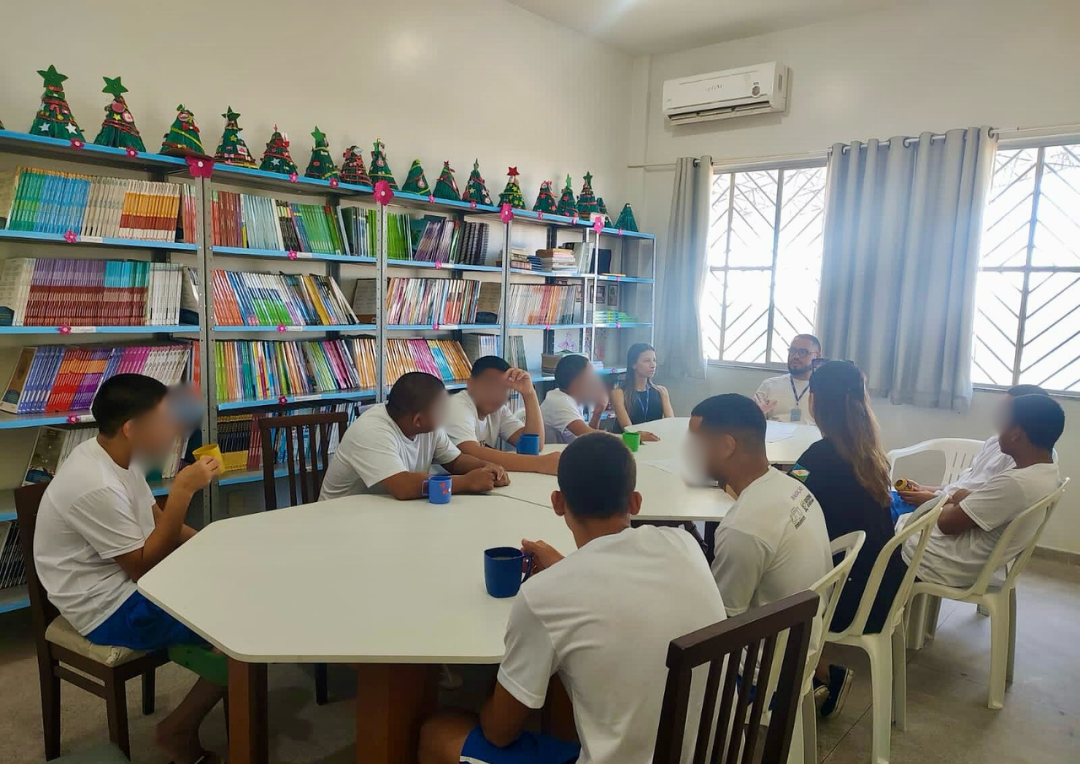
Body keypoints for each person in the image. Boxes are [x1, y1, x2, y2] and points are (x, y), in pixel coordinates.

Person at [418, 433, 726, 764]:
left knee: (440, 731)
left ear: (557, 502)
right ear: (635, 502)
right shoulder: (684, 544)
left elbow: (499, 732)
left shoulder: (544, 595)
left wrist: (483, 700)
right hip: (715, 750)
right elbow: (619, 591)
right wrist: (565, 570)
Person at [33, 374, 224, 764]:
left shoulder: (117, 456)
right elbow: (142, 566)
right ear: (132, 428)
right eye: (164, 421)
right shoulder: (95, 483)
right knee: (236, 628)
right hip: (107, 606)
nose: (174, 429)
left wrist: (212, 545)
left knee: (234, 589)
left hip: (130, 581)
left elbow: (156, 520)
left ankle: (218, 687)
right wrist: (184, 491)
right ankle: (178, 730)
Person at [789, 360, 905, 717]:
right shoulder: (869, 451)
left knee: (765, 578)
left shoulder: (820, 455)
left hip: (850, 597)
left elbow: (787, 499)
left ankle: (821, 674)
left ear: (815, 401)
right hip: (882, 586)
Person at [689, 394, 831, 685]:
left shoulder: (743, 527)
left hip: (758, 672)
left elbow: (718, 621)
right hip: (802, 645)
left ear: (726, 446)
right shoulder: (792, 488)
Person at [902, 393, 1064, 588]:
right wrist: (960, 499)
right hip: (960, 555)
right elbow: (967, 503)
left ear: (1016, 434)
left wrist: (958, 498)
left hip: (940, 562)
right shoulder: (1046, 472)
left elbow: (947, 523)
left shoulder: (1015, 483)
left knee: (873, 537)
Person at [319, 372, 509, 500]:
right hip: (341, 521)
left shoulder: (429, 427)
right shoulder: (371, 430)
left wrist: (485, 468)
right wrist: (467, 482)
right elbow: (403, 487)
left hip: (388, 514)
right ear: (418, 420)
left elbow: (456, 461)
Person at [893, 384, 1051, 521]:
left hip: (945, 508)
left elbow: (976, 506)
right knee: (878, 501)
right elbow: (964, 484)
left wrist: (932, 500)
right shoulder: (995, 442)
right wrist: (924, 489)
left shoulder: (1017, 468)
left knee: (877, 513)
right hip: (941, 501)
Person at [444, 356, 560, 475]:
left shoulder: (499, 410)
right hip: (446, 485)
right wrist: (539, 463)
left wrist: (529, 394)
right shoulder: (456, 405)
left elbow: (534, 445)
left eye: (504, 388)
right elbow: (471, 453)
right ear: (470, 384)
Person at [753, 334, 822, 424]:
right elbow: (751, 421)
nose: (796, 356)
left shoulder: (825, 389)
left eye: (803, 352)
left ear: (817, 356)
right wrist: (756, 415)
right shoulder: (769, 385)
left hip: (813, 438)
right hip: (773, 437)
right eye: (792, 351)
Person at [611, 343, 674, 442]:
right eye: (646, 361)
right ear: (634, 364)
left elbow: (670, 423)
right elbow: (628, 430)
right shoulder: (619, 393)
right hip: (629, 444)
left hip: (653, 441)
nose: (653, 365)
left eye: (654, 360)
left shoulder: (661, 391)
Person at [539, 354, 608, 444]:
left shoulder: (572, 399)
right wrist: (623, 438)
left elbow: (589, 441)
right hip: (554, 456)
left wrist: (598, 412)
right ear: (576, 382)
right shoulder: (560, 402)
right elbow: (589, 436)